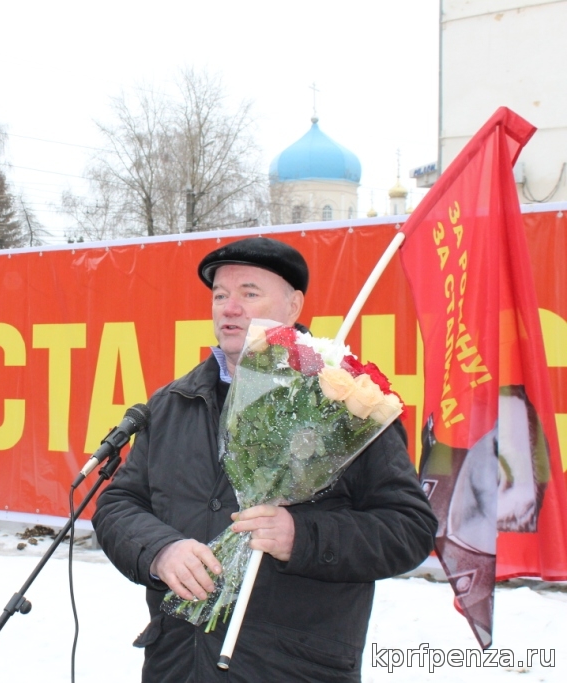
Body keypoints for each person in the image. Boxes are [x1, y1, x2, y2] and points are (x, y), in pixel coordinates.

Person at [92, 237, 437, 682]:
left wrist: (302, 536)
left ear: (293, 306)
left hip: (292, 667)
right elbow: (119, 505)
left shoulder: (348, 404)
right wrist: (159, 551)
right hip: (178, 663)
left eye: (249, 293)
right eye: (220, 295)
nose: (229, 308)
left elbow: (409, 529)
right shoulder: (174, 401)